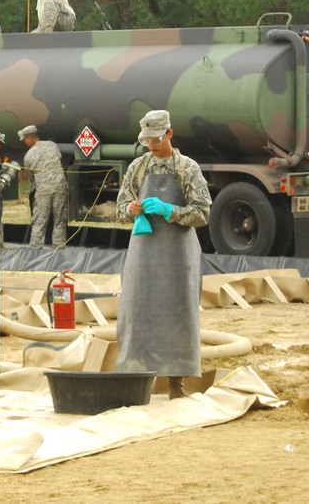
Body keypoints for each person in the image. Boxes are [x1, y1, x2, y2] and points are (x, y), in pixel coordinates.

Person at [115, 110, 212, 400]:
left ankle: (176, 380)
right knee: (137, 311)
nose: (152, 145)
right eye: (146, 141)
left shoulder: (186, 168)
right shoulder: (137, 168)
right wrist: (129, 210)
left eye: (156, 139)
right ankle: (135, 380)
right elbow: (119, 208)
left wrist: (171, 211)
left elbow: (203, 212)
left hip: (177, 256)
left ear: (169, 134)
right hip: (143, 255)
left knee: (178, 313)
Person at [18, 125, 68, 249]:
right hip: (60, 188)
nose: (24, 142)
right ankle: (59, 247)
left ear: (30, 138)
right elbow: (59, 160)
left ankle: (35, 250)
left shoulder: (29, 155)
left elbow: (30, 173)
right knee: (59, 220)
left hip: (43, 191)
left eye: (25, 139)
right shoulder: (52, 145)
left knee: (40, 220)